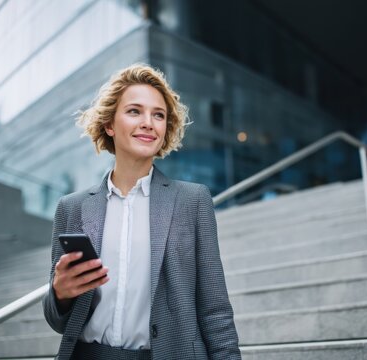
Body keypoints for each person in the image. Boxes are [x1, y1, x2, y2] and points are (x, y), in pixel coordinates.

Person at [42, 64, 242, 360]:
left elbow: (215, 309)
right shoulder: (71, 208)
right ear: (110, 125)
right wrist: (59, 294)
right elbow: (58, 321)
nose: (148, 122)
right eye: (134, 111)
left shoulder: (193, 201)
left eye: (158, 115)